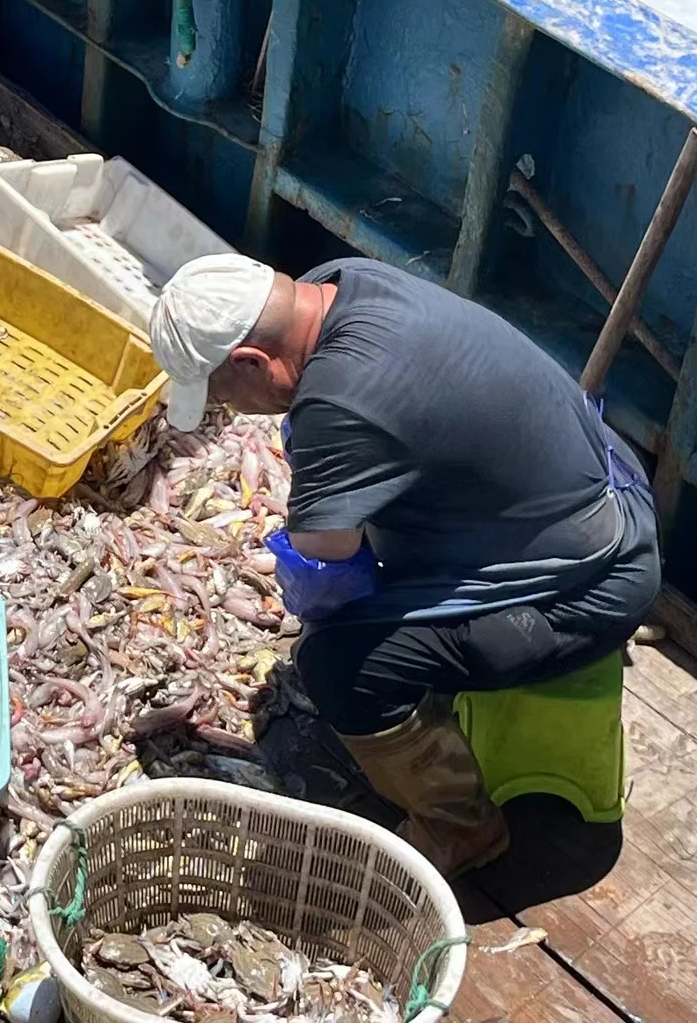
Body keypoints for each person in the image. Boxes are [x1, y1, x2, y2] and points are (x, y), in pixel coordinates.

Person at [149, 254, 660, 876]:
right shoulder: (342, 279)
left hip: (589, 582)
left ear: (253, 362)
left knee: (337, 665)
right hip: (600, 493)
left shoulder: (343, 404)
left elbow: (326, 558)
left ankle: (462, 831)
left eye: (221, 392)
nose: (227, 409)